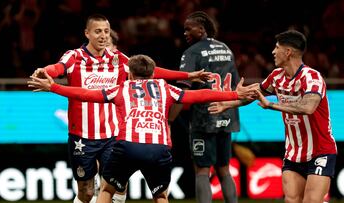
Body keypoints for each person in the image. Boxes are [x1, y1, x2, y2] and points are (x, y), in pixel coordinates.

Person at [31, 14, 212, 203]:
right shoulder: (74, 57)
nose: (103, 36)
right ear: (87, 33)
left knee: (116, 187)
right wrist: (45, 71)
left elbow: (151, 71)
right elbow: (57, 68)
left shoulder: (118, 59)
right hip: (82, 136)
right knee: (86, 192)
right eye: (98, 31)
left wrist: (188, 75)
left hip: (112, 135)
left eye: (106, 31)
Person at [28, 54, 257, 203]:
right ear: (152, 72)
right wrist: (235, 94)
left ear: (129, 73)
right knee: (160, 195)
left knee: (107, 190)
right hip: (159, 148)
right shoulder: (165, 88)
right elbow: (201, 95)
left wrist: (54, 87)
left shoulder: (122, 88)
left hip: (127, 146)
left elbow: (86, 94)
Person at [208, 30, 337, 203]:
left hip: (321, 151)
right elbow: (254, 94)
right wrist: (227, 104)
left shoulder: (312, 78)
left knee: (312, 201)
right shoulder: (276, 77)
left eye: (277, 48)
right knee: (291, 200)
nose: (273, 52)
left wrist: (272, 105)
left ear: (288, 52)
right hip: (293, 153)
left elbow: (308, 107)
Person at [170, 11, 240, 203]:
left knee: (202, 170)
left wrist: (169, 119)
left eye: (188, 29)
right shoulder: (225, 48)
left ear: (201, 29)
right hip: (227, 115)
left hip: (204, 118)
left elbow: (183, 91)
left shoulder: (192, 52)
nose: (185, 33)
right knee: (224, 169)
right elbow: (236, 85)